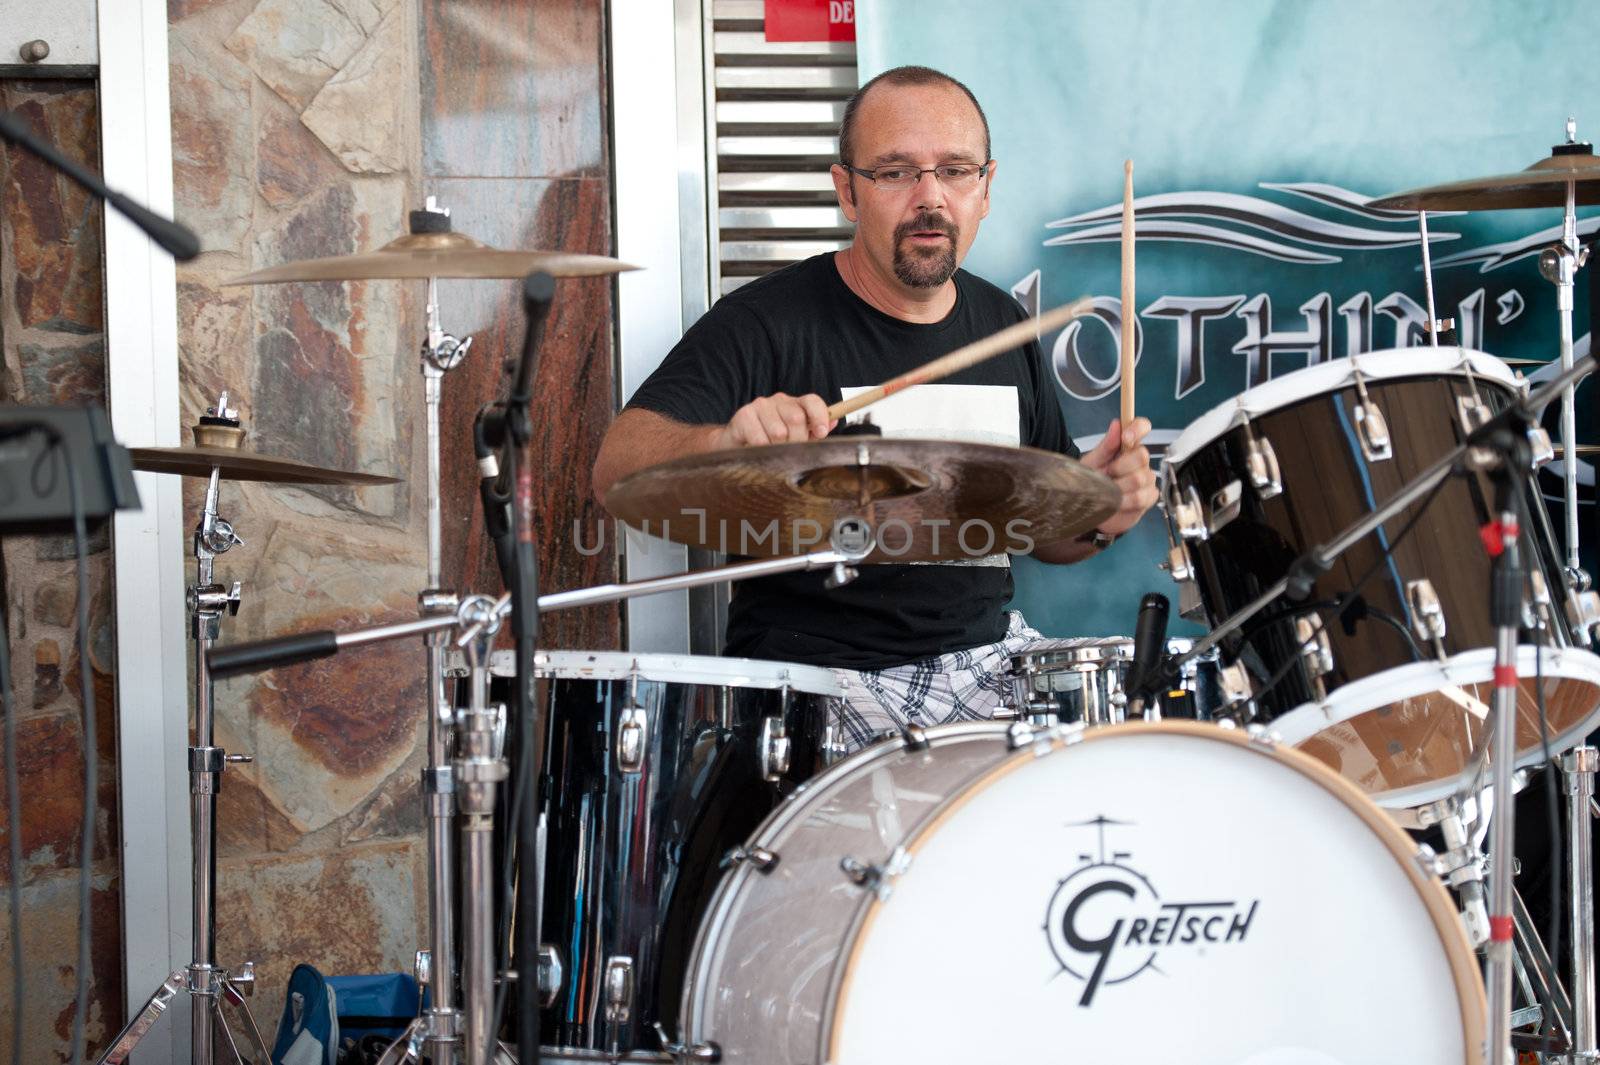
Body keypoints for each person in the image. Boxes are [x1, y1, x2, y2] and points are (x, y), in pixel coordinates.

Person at [592, 65, 1158, 749]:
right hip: (820, 678)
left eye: (955, 170)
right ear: (847, 192)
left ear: (986, 189)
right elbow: (617, 463)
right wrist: (723, 444)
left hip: (983, 664)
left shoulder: (1002, 322)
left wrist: (1101, 513)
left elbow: (1046, 537)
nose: (930, 197)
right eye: (895, 173)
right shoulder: (766, 322)